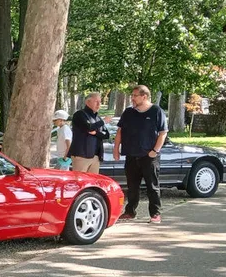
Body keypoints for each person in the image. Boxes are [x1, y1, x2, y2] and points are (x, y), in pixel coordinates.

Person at [114, 85, 167, 223]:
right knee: (132, 186)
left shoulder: (156, 111)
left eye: (135, 95)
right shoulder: (128, 112)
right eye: (132, 95)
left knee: (152, 186)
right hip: (131, 155)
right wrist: (116, 149)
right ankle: (130, 211)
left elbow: (163, 133)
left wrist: (155, 151)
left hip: (149, 157)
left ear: (144, 96)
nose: (132, 98)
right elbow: (120, 131)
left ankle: (155, 214)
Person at [69, 92, 110, 174]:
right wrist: (103, 121)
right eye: (96, 101)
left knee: (93, 183)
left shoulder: (98, 118)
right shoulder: (80, 114)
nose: (99, 104)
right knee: (80, 182)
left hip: (95, 156)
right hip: (81, 156)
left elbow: (106, 135)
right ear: (88, 102)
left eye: (100, 102)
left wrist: (96, 133)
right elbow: (89, 127)